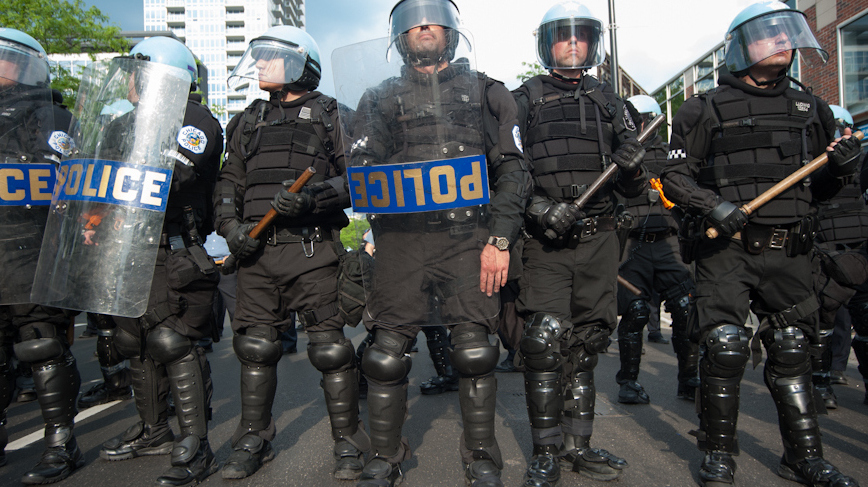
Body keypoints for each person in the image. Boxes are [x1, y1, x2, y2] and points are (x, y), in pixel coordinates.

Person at [661, 2, 861, 486]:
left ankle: (804, 457)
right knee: (726, 348)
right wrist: (713, 207)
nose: (781, 42)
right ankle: (718, 454)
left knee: (794, 349)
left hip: (791, 249)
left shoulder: (810, 108)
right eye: (767, 35)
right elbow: (672, 175)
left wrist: (842, 167)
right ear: (741, 48)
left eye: (786, 34)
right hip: (727, 249)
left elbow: (821, 190)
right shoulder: (702, 108)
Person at [339, 1, 530, 485]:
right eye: (412, 22)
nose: (423, 27)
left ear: (451, 31)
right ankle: (386, 454)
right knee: (384, 353)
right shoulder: (378, 98)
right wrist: (368, 215)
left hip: (469, 237)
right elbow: (360, 171)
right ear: (399, 36)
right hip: (401, 240)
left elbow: (512, 171)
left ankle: (481, 453)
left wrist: (501, 239)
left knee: (473, 350)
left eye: (432, 20)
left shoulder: (488, 92)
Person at [215, 25, 364, 481]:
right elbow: (227, 185)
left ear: (300, 64)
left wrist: (311, 199)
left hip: (312, 251)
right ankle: (253, 439)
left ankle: (348, 443)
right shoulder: (246, 120)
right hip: (257, 257)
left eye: (269, 57)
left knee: (330, 350)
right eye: (256, 56)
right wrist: (231, 228)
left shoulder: (332, 115)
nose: (258, 64)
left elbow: (358, 178)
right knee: (255, 349)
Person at [512, 3, 645, 485]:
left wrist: (632, 168)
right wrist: (539, 210)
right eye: (563, 37)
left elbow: (636, 190)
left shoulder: (613, 104)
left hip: (599, 237)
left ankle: (578, 445)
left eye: (581, 37)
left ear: (592, 44)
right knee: (543, 341)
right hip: (545, 241)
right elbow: (504, 172)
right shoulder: (521, 100)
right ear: (547, 44)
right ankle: (545, 451)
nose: (572, 45)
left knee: (587, 344)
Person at [95, 37, 224, 487]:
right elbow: (96, 179)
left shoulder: (195, 118)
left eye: (137, 72)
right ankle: (153, 430)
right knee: (134, 339)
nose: (129, 82)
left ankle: (195, 442)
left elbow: (175, 172)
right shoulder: (119, 124)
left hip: (172, 246)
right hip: (125, 248)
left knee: (173, 340)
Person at [0, 27, 83, 485]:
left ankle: (60, 441)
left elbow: (71, 183)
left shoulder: (52, 119)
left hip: (32, 250)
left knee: (41, 344)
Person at [614, 94, 697, 404]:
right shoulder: (619, 154)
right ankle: (629, 381)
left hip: (668, 241)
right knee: (634, 313)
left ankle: (689, 378)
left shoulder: (671, 156)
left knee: (685, 308)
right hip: (632, 243)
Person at [810, 105, 868, 410]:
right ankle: (821, 383)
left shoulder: (863, 161)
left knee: (864, 317)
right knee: (825, 321)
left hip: (859, 252)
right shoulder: (811, 163)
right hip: (825, 253)